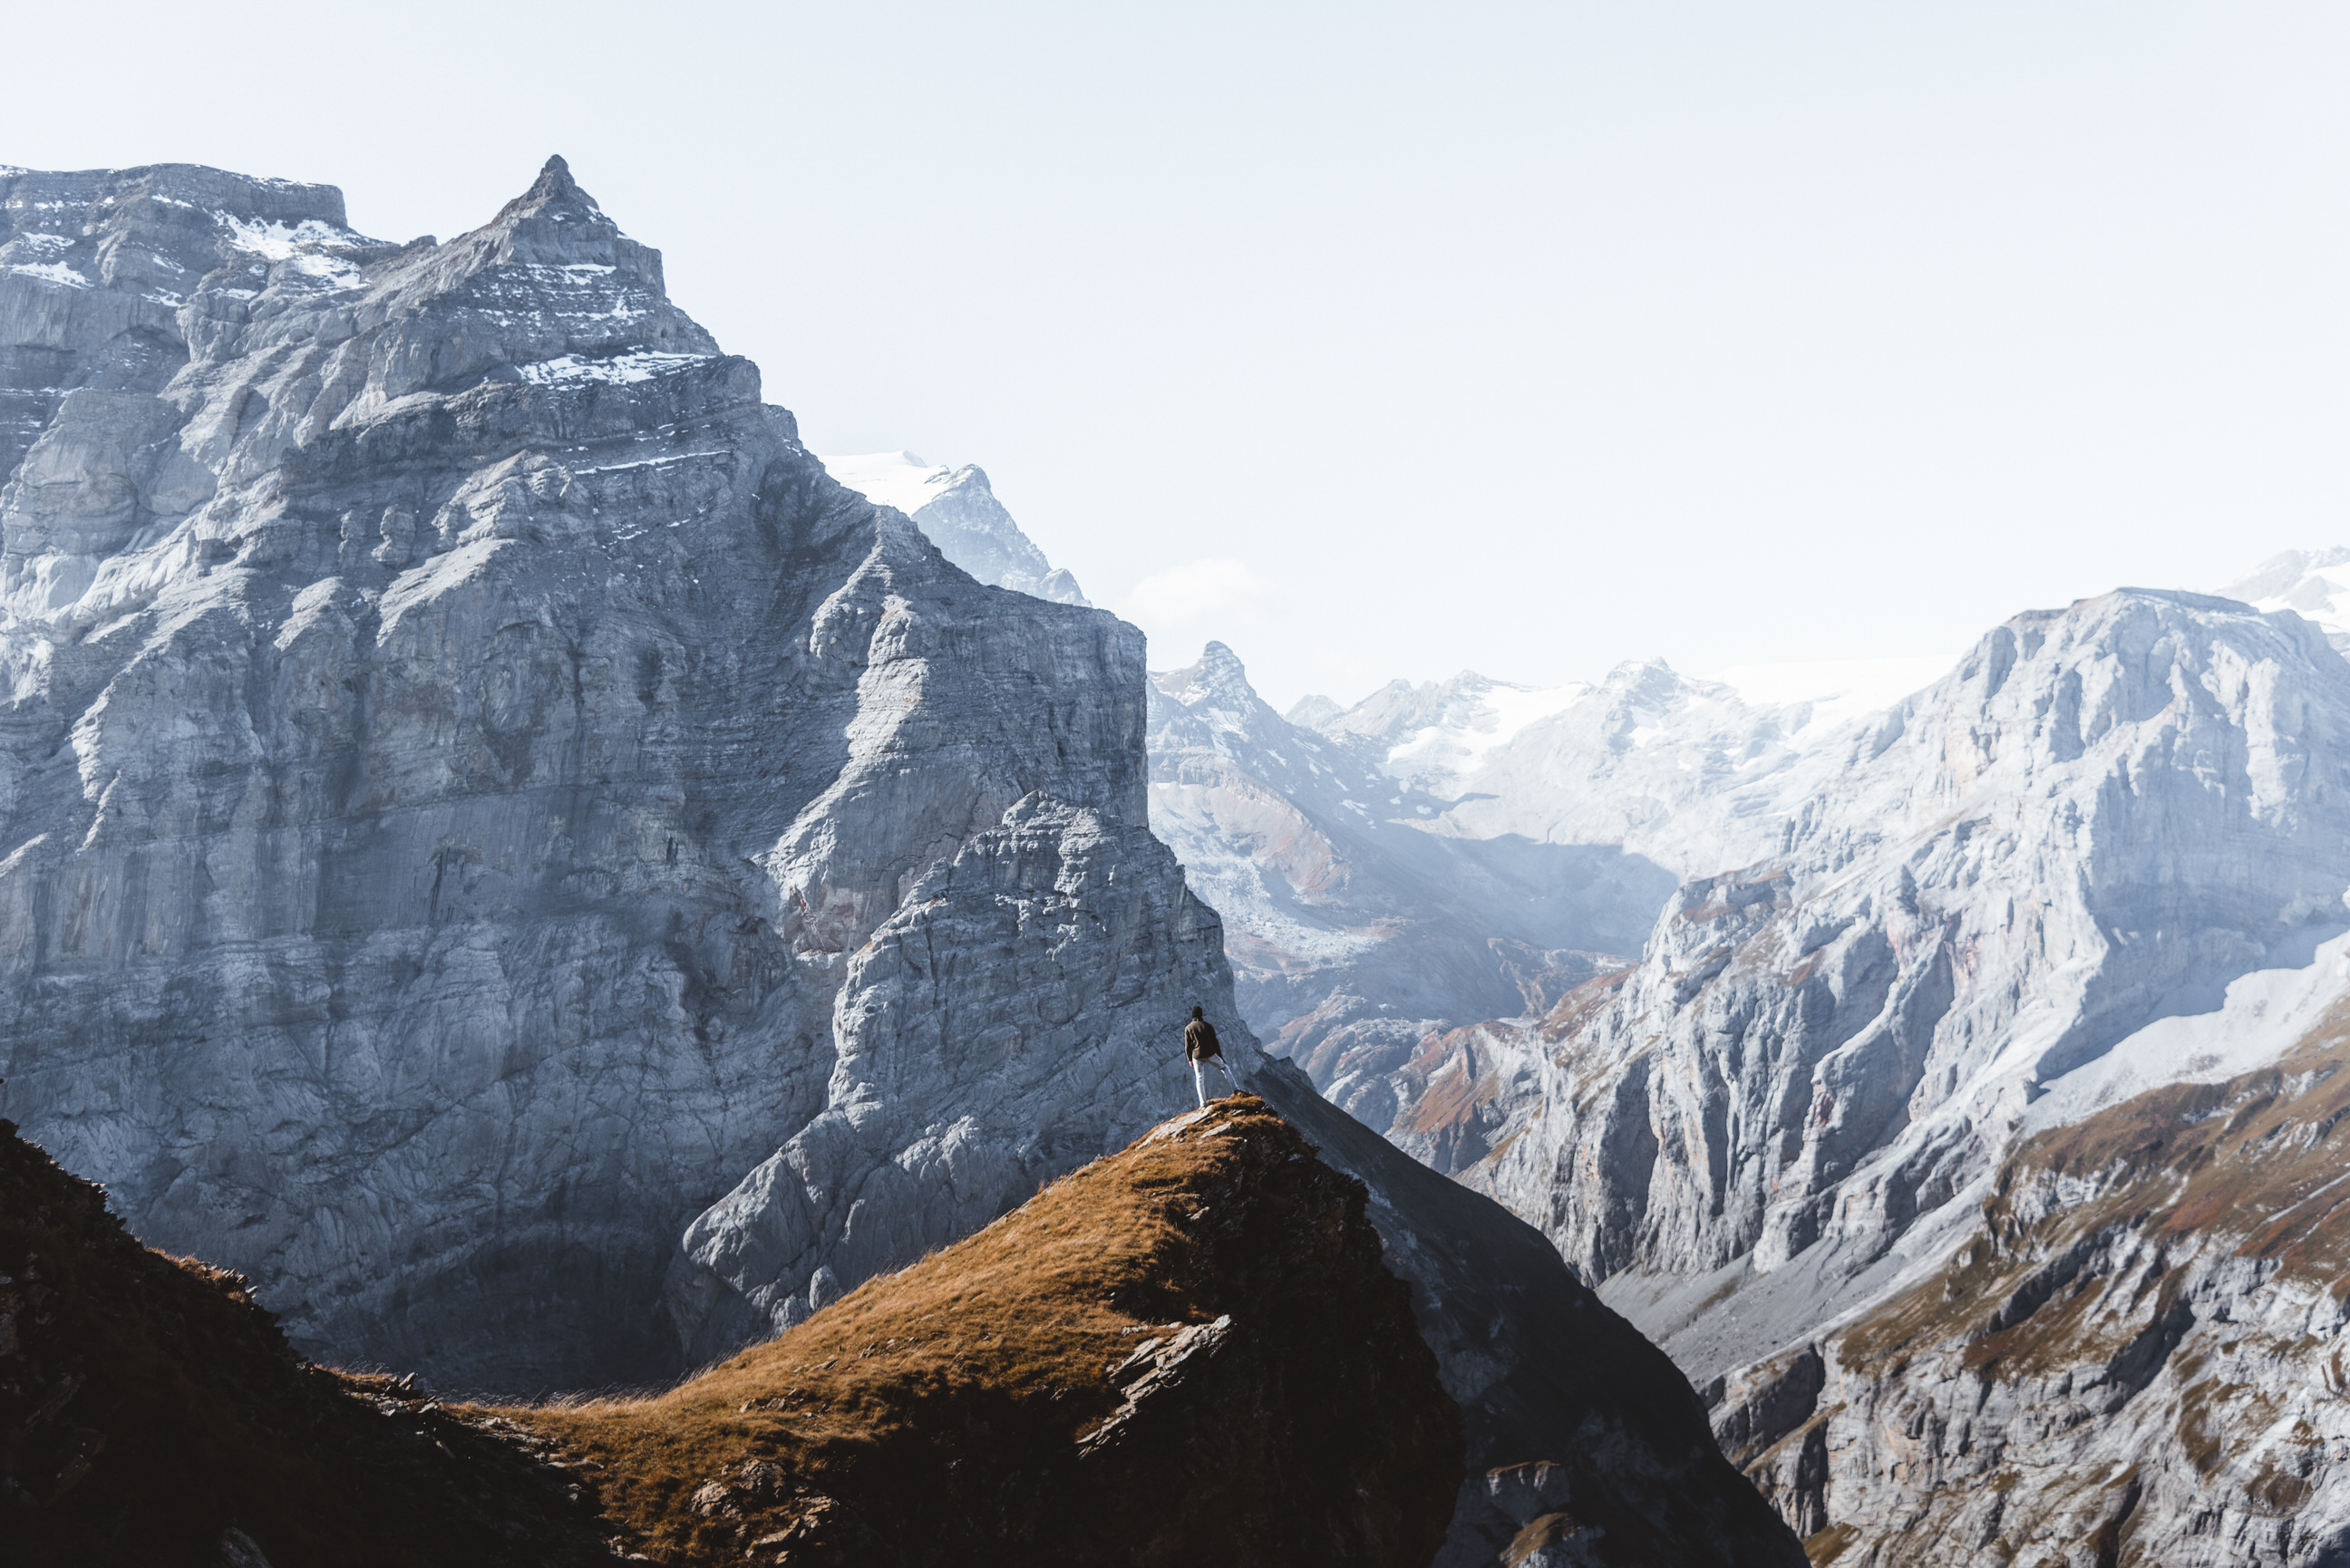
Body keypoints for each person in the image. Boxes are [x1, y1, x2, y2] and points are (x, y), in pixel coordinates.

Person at [1184, 1005, 1240, 1107]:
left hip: (1196, 1056)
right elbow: (1215, 1042)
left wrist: (1189, 1059)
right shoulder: (1207, 1026)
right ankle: (1236, 1089)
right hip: (1210, 1053)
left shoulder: (1188, 1028)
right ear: (1201, 1014)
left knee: (1199, 1078)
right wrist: (1220, 1056)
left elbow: (1188, 1046)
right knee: (1224, 1068)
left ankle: (1203, 1103)